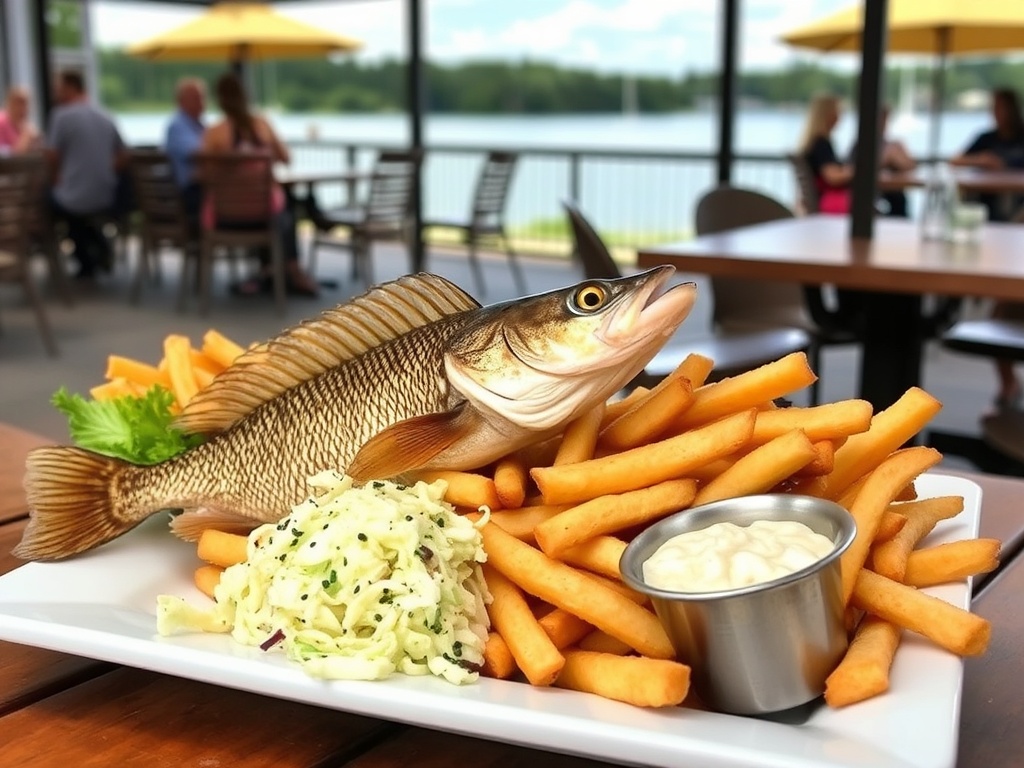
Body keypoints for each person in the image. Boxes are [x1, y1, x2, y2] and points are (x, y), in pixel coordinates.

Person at [199, 72, 318, 297]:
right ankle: (290, 270)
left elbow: (204, 175)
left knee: (282, 208)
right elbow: (286, 158)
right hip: (265, 216)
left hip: (226, 219)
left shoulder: (214, 133)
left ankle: (268, 271)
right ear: (246, 96)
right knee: (285, 209)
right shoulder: (262, 125)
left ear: (219, 99)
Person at [46, 71, 126, 279]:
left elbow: (52, 157)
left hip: (75, 198)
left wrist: (56, 177)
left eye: (59, 88)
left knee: (49, 203)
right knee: (77, 210)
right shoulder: (105, 114)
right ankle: (99, 248)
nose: (56, 92)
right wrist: (106, 170)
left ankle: (85, 260)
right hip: (106, 194)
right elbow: (125, 155)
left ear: (71, 88)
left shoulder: (61, 116)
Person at [949, 87, 1024, 222]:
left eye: (1000, 108)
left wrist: (1004, 166)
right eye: (993, 108)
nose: (995, 113)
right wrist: (980, 160)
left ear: (1013, 109)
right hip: (986, 203)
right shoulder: (986, 138)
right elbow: (955, 161)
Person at [797, 94, 855, 215]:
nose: (840, 117)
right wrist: (854, 171)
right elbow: (832, 177)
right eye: (837, 112)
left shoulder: (813, 142)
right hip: (830, 203)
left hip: (820, 202)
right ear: (828, 115)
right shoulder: (821, 144)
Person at [164, 77, 206, 220]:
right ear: (180, 101)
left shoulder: (198, 126)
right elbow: (199, 153)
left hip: (199, 189)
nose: (202, 103)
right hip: (188, 195)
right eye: (196, 98)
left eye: (203, 97)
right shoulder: (178, 126)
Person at [0, 86, 40, 154]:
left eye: (27, 104)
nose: (24, 108)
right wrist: (26, 137)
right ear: (10, 103)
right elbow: (7, 155)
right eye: (20, 103)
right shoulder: (2, 121)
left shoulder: (24, 125)